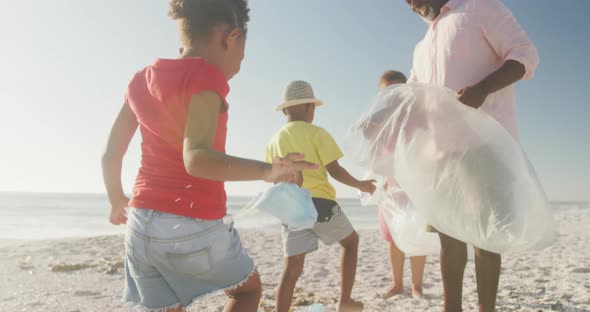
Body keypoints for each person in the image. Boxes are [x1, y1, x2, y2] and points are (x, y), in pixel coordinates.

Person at [101, 1, 316, 311]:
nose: (240, 62)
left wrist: (114, 199)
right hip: (191, 223)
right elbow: (197, 158)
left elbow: (110, 154)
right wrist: (268, 170)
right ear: (231, 37)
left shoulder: (140, 79)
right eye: (242, 52)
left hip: (140, 226)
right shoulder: (206, 75)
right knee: (246, 291)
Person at [403, 0, 539, 311]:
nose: (409, 3)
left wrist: (481, 89)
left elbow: (525, 54)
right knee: (448, 238)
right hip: (439, 153)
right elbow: (414, 94)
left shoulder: (481, 8)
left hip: (485, 146)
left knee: (485, 239)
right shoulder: (422, 45)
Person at [265, 80, 376, 312]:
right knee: (351, 243)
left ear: (285, 110)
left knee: (292, 268)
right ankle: (345, 300)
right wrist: (360, 184)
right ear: (309, 108)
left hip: (292, 209)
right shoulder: (317, 133)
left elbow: (273, 179)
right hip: (320, 204)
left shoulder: (273, 141)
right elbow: (335, 171)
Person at [376, 71, 427, 299]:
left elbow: (425, 148)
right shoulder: (382, 119)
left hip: (416, 184)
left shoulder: (416, 115)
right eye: (389, 91)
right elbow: (376, 153)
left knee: (418, 234)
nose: (394, 95)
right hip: (391, 185)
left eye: (398, 89)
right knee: (393, 236)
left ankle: (417, 286)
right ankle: (397, 284)